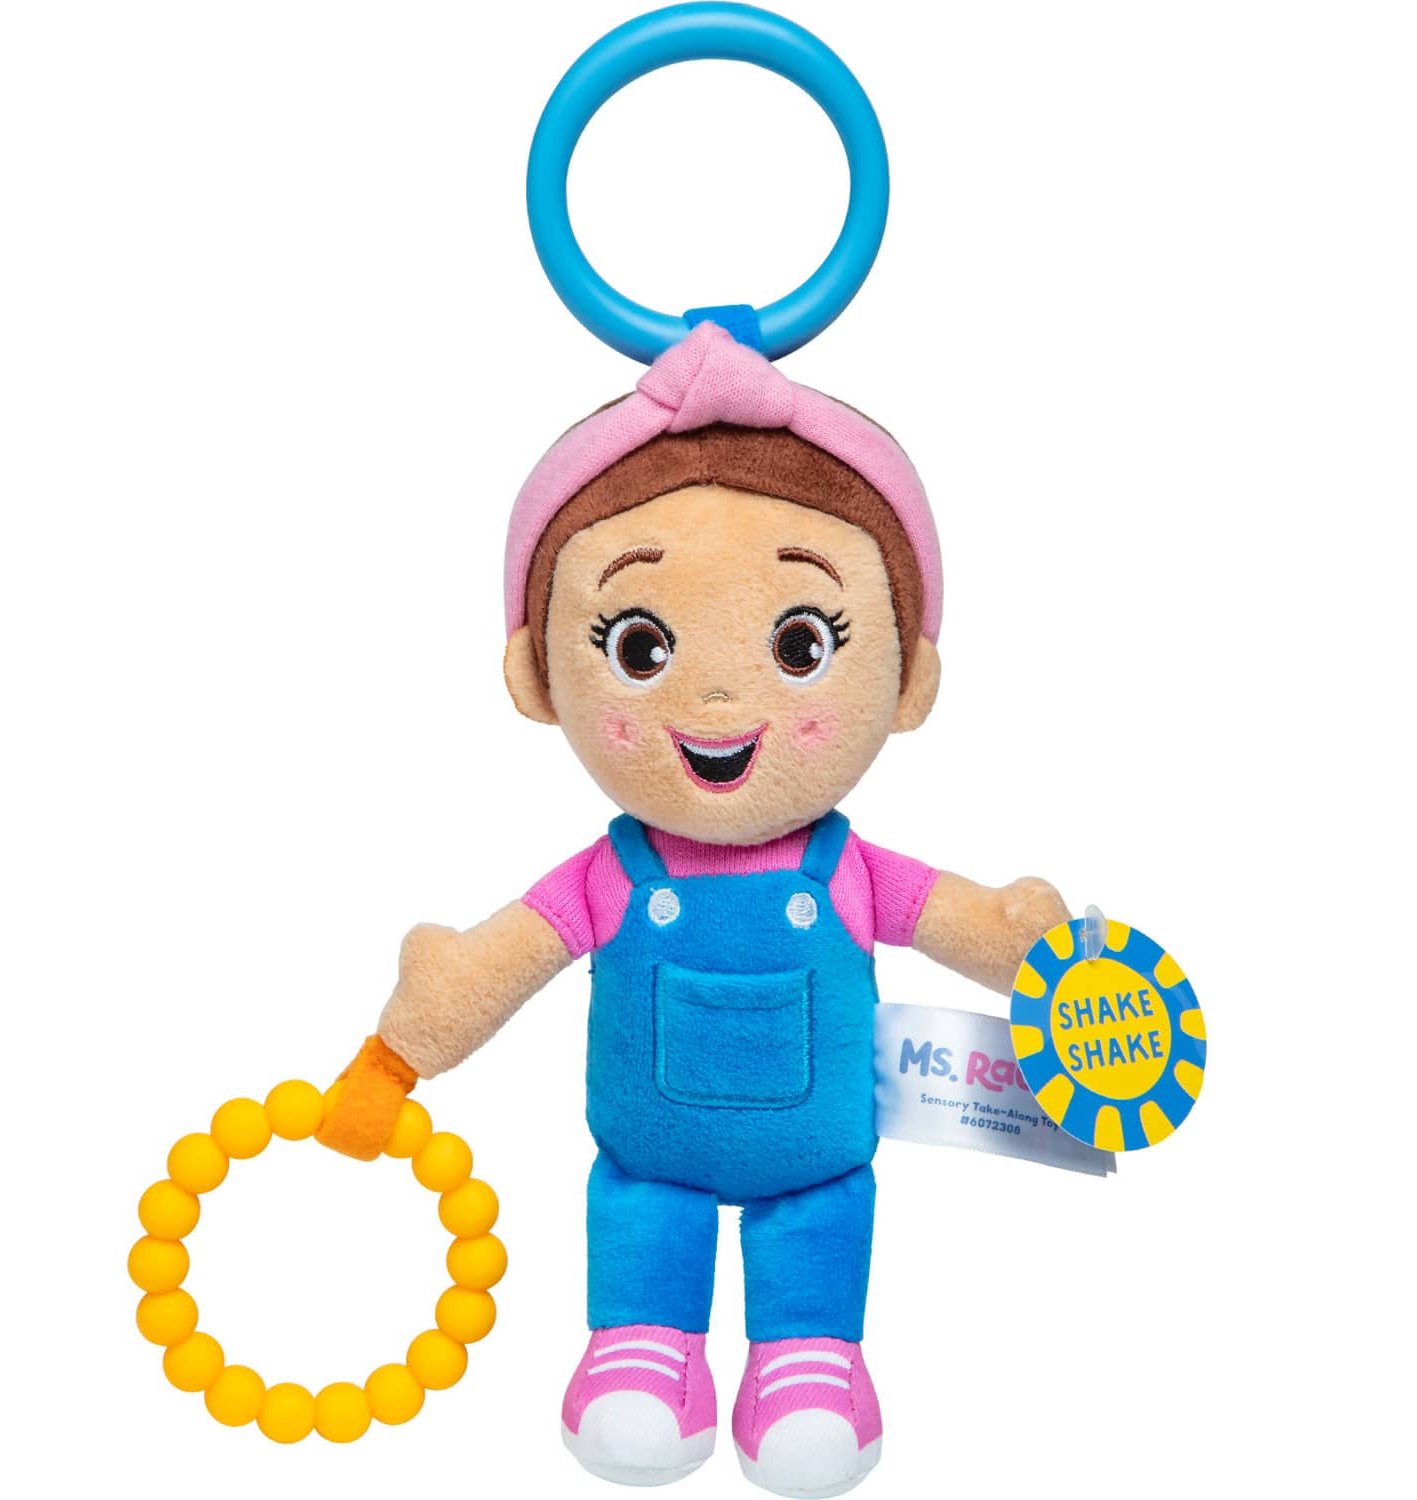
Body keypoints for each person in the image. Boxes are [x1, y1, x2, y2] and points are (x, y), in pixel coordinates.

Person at [321, 322, 1067, 1497]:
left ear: (907, 681)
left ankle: (808, 1360)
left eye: (802, 643)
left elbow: (958, 920)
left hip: (817, 1161)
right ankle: (641, 1345)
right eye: (640, 644)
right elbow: (494, 966)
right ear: (540, 675)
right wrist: (399, 1054)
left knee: (815, 1225)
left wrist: (1043, 957)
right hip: (647, 1166)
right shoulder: (610, 876)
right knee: (643, 1222)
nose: (718, 696)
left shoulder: (852, 870)